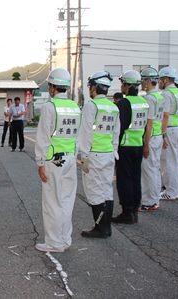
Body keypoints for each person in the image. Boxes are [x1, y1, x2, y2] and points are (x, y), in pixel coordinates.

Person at [34, 68, 81, 252]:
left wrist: (40, 163)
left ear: (52, 87)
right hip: (70, 158)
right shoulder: (76, 107)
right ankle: (65, 239)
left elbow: (43, 137)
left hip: (53, 160)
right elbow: (77, 136)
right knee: (67, 200)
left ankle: (54, 243)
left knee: (52, 201)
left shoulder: (49, 107)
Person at [78, 71, 120, 238]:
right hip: (108, 154)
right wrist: (114, 150)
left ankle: (100, 228)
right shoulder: (113, 107)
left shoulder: (92, 106)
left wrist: (84, 156)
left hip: (94, 155)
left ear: (94, 87)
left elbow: (86, 132)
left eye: (90, 86)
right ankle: (106, 227)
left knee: (95, 190)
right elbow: (116, 132)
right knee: (106, 189)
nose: (89, 89)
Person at [112, 70, 149, 224]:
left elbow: (120, 127)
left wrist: (115, 146)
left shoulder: (124, 103)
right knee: (135, 177)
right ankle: (134, 209)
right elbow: (147, 125)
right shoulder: (143, 102)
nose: (121, 87)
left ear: (127, 86)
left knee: (124, 179)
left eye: (122, 84)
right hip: (138, 144)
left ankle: (127, 212)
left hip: (125, 145)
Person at [139, 67, 165, 211]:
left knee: (148, 170)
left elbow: (148, 122)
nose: (142, 83)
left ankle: (148, 201)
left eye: (143, 80)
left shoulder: (149, 98)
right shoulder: (160, 97)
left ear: (148, 81)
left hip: (151, 137)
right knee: (155, 169)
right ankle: (155, 199)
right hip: (158, 135)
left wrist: (146, 143)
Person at [158, 66, 178, 201]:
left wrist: (162, 133)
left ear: (166, 79)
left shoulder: (167, 94)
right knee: (176, 160)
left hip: (170, 129)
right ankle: (173, 190)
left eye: (160, 80)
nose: (159, 83)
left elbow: (166, 115)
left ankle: (170, 191)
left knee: (168, 161)